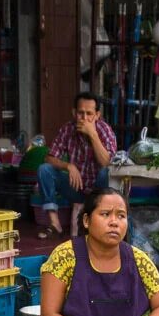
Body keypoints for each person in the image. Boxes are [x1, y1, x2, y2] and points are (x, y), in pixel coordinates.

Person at [36, 92, 118, 239]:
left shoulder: (104, 130)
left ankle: (99, 224)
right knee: (45, 170)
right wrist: (68, 166)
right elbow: (49, 158)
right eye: (80, 113)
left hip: (98, 191)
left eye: (89, 114)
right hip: (77, 187)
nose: (84, 118)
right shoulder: (68, 129)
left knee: (105, 172)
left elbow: (106, 162)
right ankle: (55, 224)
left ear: (97, 115)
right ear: (74, 113)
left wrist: (93, 134)